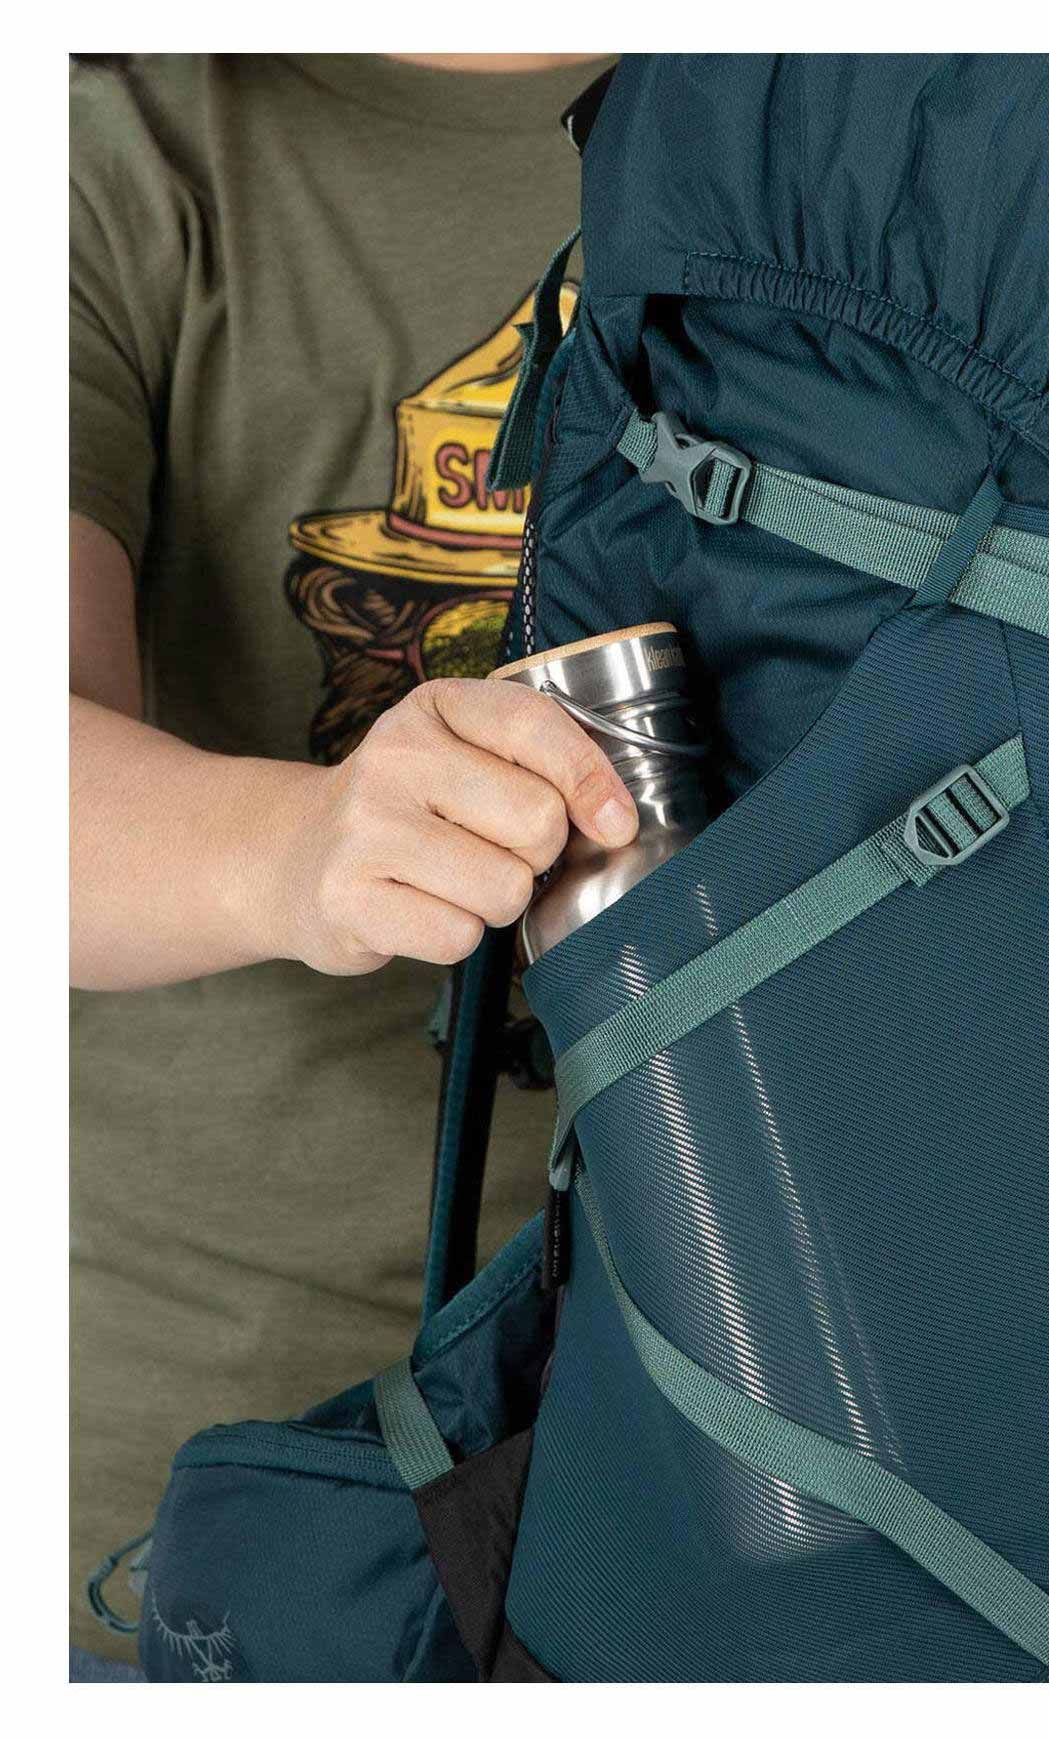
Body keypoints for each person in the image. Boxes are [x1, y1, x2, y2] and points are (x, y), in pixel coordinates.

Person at [69, 51, 630, 1668]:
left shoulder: (919, 118)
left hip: (775, 1447)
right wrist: (301, 848)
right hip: (217, 1507)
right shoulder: (112, 143)